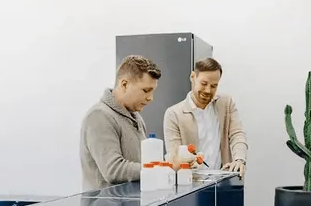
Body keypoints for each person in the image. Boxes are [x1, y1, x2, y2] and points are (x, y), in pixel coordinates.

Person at [79, 55, 161, 190]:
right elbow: (113, 170)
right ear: (124, 84)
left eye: (152, 91)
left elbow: (142, 165)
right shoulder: (99, 116)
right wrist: (161, 168)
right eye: (146, 90)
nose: (150, 98)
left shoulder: (136, 117)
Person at [163, 58, 248, 176]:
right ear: (193, 77)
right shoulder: (174, 114)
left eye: (214, 86)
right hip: (191, 185)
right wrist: (187, 162)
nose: (208, 90)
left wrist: (239, 160)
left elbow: (237, 134)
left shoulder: (226, 103)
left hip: (222, 180)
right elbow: (174, 156)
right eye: (204, 84)